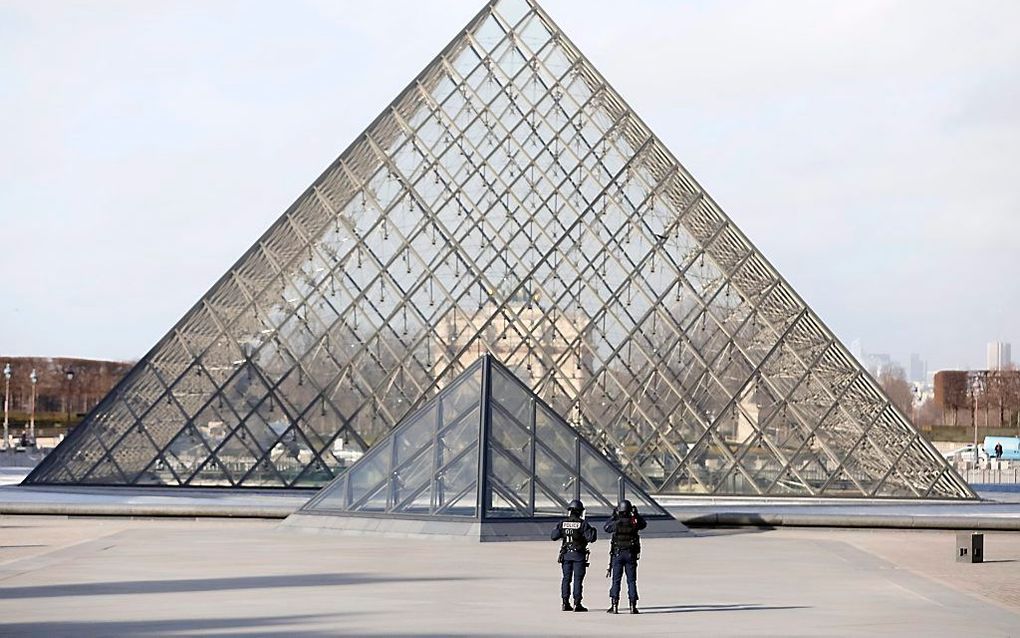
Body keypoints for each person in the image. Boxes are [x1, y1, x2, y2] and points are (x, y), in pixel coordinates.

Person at [551, 499, 597, 612]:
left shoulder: (562, 523)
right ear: (580, 512)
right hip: (578, 555)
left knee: (566, 579)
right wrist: (592, 529)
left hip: (566, 554)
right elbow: (591, 538)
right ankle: (577, 603)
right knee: (577, 579)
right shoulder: (582, 524)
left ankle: (565, 602)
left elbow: (554, 536)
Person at [603, 499, 647, 614]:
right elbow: (643, 524)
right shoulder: (633, 522)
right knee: (631, 581)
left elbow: (606, 528)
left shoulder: (616, 523)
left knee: (616, 580)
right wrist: (636, 514)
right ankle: (633, 605)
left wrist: (613, 516)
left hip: (618, 553)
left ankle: (614, 605)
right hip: (630, 554)